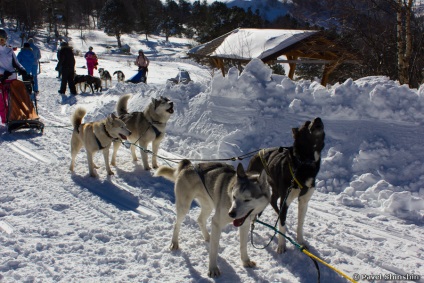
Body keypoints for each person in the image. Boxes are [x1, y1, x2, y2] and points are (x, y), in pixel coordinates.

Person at [0, 29, 34, 124]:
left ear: (5, 40)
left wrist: (22, 70)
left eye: (2, 39)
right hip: (2, 79)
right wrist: (3, 72)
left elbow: (16, 63)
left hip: (12, 79)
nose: (1, 42)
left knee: (14, 99)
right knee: (2, 101)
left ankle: (15, 117)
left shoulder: (9, 51)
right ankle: (5, 119)